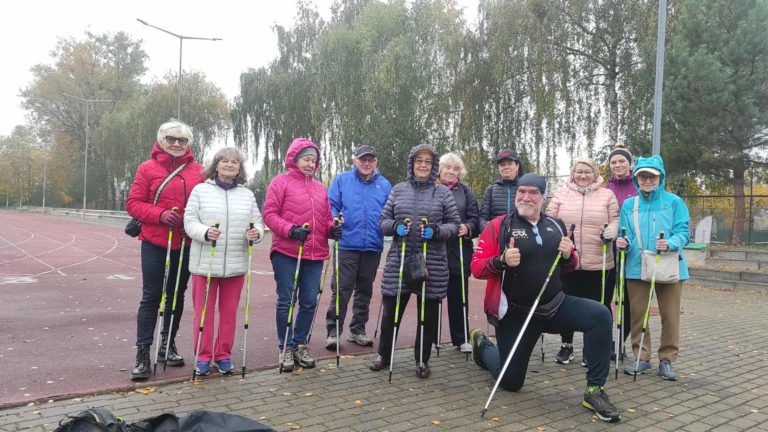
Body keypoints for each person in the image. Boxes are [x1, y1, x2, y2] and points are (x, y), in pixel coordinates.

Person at [469, 173, 622, 423]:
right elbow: (476, 268)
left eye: (533, 193)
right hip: (518, 314)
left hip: (554, 306)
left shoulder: (556, 225)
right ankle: (483, 345)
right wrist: (501, 261)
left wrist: (568, 255)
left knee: (600, 315)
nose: (525, 197)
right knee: (511, 382)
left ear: (543, 197)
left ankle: (594, 390)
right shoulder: (499, 226)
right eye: (521, 192)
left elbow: (569, 266)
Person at [368, 144, 460, 378]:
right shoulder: (398, 190)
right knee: (391, 312)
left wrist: (437, 231)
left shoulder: (443, 193)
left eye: (428, 161)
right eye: (419, 160)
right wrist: (396, 227)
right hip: (400, 259)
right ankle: (384, 354)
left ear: (433, 166)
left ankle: (422, 360)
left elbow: (454, 225)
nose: (422, 165)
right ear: (412, 164)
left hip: (432, 262)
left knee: (427, 316)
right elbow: (383, 221)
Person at [126, 120, 204, 381]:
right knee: (151, 296)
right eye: (171, 139)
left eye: (182, 140)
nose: (177, 144)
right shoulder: (147, 169)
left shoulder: (199, 172)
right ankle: (142, 354)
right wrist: (160, 215)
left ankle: (167, 345)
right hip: (154, 241)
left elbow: (204, 205)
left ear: (188, 143)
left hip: (184, 243)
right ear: (161, 140)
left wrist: (193, 224)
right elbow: (133, 203)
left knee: (176, 296)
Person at [183, 147, 265, 376]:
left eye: (235, 162)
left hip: (236, 264)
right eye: (224, 161)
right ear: (216, 165)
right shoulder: (200, 191)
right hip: (205, 264)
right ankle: (203, 356)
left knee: (229, 313)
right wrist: (204, 232)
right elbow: (189, 221)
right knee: (203, 313)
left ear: (240, 168)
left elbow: (258, 223)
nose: (229, 165)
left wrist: (255, 234)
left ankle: (223, 355)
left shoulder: (247, 195)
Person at [263, 137, 340, 373]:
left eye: (313, 160)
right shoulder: (280, 182)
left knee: (309, 301)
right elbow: (269, 213)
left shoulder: (319, 187)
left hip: (314, 254)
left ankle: (300, 343)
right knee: (287, 300)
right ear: (295, 159)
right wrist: (290, 230)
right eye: (306, 159)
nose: (309, 164)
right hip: (287, 251)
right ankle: (285, 346)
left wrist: (331, 228)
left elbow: (326, 217)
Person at [617, 155, 690, 381]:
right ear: (636, 178)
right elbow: (624, 233)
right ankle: (642, 356)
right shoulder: (630, 205)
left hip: (668, 265)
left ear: (660, 177)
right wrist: (623, 243)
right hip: (637, 267)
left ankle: (667, 359)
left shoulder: (674, 202)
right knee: (639, 315)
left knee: (670, 315)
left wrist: (670, 243)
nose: (647, 180)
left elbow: (684, 232)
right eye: (642, 176)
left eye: (652, 176)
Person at [545, 157, 619, 365]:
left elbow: (615, 219)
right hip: (569, 262)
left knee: (599, 307)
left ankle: (591, 349)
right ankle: (566, 345)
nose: (583, 175)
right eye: (579, 171)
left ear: (595, 174)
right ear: (572, 173)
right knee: (565, 304)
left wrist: (612, 230)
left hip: (600, 263)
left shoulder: (607, 195)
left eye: (587, 171)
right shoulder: (561, 194)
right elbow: (549, 220)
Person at [324, 145, 392, 350]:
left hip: (372, 245)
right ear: (355, 161)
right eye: (363, 159)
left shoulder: (384, 184)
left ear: (376, 162)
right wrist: (335, 219)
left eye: (370, 159)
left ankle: (358, 330)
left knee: (365, 289)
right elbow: (331, 205)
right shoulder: (342, 180)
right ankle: (334, 332)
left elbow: (390, 210)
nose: (366, 163)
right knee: (341, 289)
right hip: (346, 243)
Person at [436, 152, 480, 349]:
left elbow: (474, 217)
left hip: (459, 249)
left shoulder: (465, 192)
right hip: (436, 248)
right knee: (433, 295)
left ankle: (461, 339)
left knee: (459, 295)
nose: (451, 172)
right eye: (448, 167)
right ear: (440, 169)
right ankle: (431, 338)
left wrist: (468, 227)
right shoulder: (432, 188)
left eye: (455, 169)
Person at [604, 144, 636, 355]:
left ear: (629, 164)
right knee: (604, 297)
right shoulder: (606, 189)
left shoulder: (638, 186)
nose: (617, 165)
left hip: (631, 251)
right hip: (607, 250)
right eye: (614, 162)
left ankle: (620, 341)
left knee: (626, 299)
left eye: (621, 161)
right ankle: (605, 340)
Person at [479, 149, 524, 232]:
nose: (506, 167)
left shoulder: (524, 189)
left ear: (517, 166)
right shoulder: (490, 190)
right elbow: (482, 218)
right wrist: (488, 228)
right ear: (499, 168)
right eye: (502, 164)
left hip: (521, 236)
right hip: (496, 236)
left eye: (510, 163)